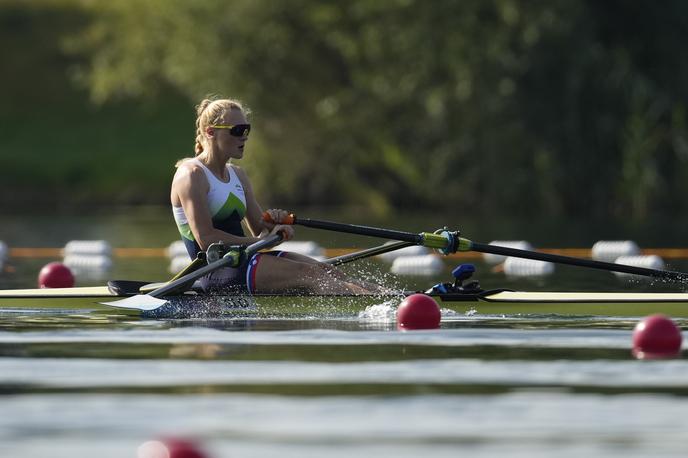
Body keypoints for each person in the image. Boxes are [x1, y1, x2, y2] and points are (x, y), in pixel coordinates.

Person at [170, 97, 376, 295]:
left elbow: (260, 229)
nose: (245, 136)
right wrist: (259, 240)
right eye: (238, 130)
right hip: (216, 270)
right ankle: (373, 311)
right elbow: (207, 239)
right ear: (210, 132)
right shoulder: (192, 175)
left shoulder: (238, 175)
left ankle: (392, 301)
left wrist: (274, 225)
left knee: (328, 271)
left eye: (247, 129)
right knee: (311, 275)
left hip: (244, 259)